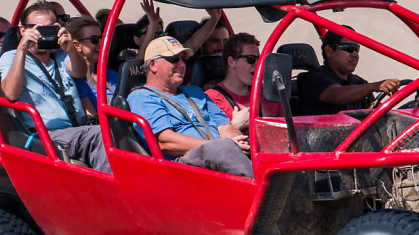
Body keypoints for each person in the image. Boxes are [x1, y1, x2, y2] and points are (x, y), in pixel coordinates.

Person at [0, 0, 111, 173]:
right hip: (44, 135)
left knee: (119, 129)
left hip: (75, 129)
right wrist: (22, 49)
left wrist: (71, 49)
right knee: (100, 134)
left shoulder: (60, 55)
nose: (43, 35)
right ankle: (112, 193)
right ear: (23, 31)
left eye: (50, 29)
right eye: (38, 29)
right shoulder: (11, 57)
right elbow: (10, 93)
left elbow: (80, 73)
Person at [127, 36, 253, 178]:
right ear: (152, 65)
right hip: (180, 168)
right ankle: (265, 195)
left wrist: (238, 142)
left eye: (183, 59)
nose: (181, 64)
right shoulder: (142, 97)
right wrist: (220, 145)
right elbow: (165, 141)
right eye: (174, 59)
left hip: (217, 157)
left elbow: (224, 126)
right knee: (224, 148)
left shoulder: (196, 93)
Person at [298, 28, 400, 115]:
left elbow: (378, 111)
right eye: (348, 48)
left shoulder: (359, 82)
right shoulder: (315, 79)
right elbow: (337, 96)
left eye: (356, 49)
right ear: (329, 51)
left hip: (358, 136)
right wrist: (375, 86)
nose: (355, 54)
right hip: (326, 137)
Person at [205, 32, 282, 133]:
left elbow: (286, 134)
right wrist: (235, 126)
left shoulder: (269, 95)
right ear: (231, 62)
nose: (257, 65)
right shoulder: (211, 100)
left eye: (259, 60)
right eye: (251, 59)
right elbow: (209, 143)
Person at [68, 16, 119, 118]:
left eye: (102, 38)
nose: (101, 44)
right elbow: (92, 117)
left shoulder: (111, 75)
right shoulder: (78, 82)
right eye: (94, 40)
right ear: (77, 45)